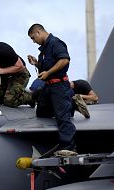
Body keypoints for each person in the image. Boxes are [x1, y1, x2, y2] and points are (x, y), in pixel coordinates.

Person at [27, 23, 78, 152]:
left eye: (33, 38)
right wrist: (36, 63)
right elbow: (45, 69)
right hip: (48, 87)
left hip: (59, 86)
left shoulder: (55, 43)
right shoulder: (43, 49)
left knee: (62, 118)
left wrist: (48, 73)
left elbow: (64, 60)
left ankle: (69, 148)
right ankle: (69, 105)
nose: (33, 41)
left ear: (39, 32)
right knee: (41, 112)